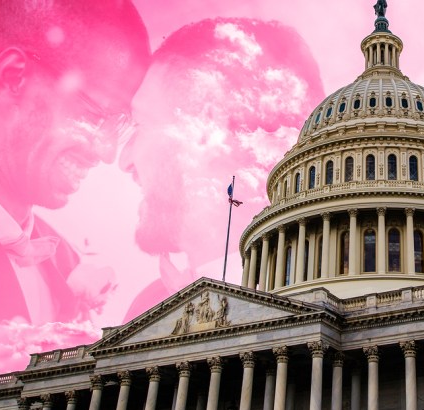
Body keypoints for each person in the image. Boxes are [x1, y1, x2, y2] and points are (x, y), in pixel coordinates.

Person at [0, 0, 150, 376]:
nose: (106, 153)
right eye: (94, 115)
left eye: (118, 127)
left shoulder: (65, 261)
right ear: (13, 77)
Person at [120, 18, 324, 321]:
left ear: (208, 133)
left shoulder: (309, 290)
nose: (124, 160)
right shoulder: (146, 307)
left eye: (141, 122)